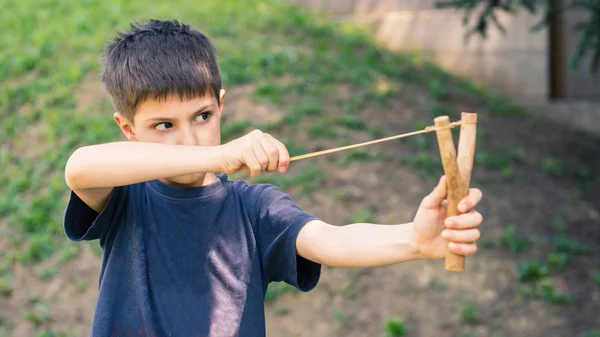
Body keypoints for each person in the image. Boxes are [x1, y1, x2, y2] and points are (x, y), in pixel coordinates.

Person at [63, 19, 484, 337]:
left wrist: (414, 239)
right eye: (163, 125)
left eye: (202, 117)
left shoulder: (254, 208)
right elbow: (79, 168)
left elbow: (330, 240)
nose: (189, 139)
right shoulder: (126, 195)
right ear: (128, 129)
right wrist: (218, 153)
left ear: (221, 106)